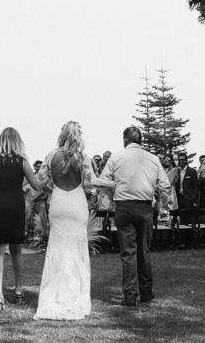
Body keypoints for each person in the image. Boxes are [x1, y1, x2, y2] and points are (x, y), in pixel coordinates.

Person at [34, 121, 102, 320]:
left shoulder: (50, 156)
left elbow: (39, 183)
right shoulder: (83, 158)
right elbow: (92, 182)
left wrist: (53, 190)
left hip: (58, 204)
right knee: (77, 250)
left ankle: (53, 296)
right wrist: (114, 184)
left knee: (56, 249)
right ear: (78, 136)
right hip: (76, 204)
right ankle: (76, 297)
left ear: (62, 134)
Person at [96, 125, 170, 307]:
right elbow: (165, 186)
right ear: (141, 140)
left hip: (124, 207)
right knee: (144, 251)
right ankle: (146, 292)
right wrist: (162, 204)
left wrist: (113, 196)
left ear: (124, 140)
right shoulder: (153, 159)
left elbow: (102, 182)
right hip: (145, 207)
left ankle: (130, 295)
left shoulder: (116, 157)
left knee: (128, 253)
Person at [0, 127, 45, 312]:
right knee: (16, 250)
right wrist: (47, 180)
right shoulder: (22, 162)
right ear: (18, 141)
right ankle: (18, 290)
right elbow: (37, 185)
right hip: (15, 205)